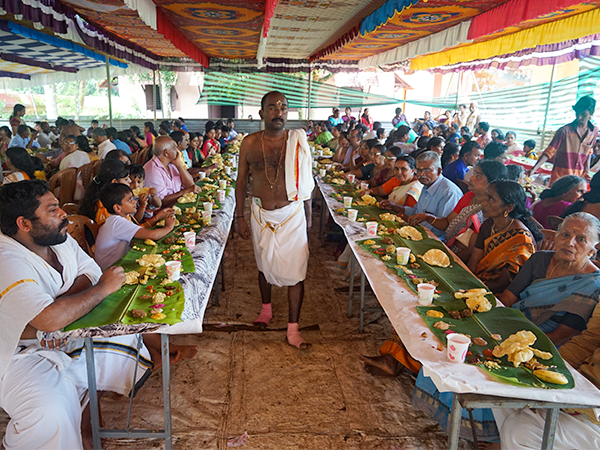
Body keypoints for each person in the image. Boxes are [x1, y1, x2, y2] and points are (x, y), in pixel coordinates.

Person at [0, 180, 151, 450]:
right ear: (24, 224)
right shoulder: (7, 259)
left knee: (125, 337)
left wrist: (60, 308)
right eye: (53, 209)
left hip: (58, 334)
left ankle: (85, 422)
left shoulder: (57, 238)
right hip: (14, 354)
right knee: (50, 409)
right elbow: (51, 318)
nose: (63, 214)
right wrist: (99, 290)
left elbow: (90, 270)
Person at [235, 91, 314, 349]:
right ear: (261, 113)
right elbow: (240, 182)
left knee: (297, 271)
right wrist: (240, 217)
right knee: (263, 263)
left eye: (283, 107)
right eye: (271, 107)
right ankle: (266, 310)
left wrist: (309, 216)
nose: (278, 112)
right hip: (261, 215)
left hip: (292, 215)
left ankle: (293, 329)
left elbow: (306, 182)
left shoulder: (298, 140)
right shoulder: (249, 143)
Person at [497, 212, 600, 346]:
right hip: (507, 324)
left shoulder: (592, 285)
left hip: (540, 345)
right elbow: (508, 298)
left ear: (592, 250)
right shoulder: (539, 259)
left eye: (581, 239)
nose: (570, 243)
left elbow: (560, 336)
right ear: (556, 237)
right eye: (565, 234)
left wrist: (514, 342)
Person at [409, 160, 507, 262]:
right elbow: (448, 223)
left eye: (478, 176)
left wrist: (448, 259)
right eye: (474, 174)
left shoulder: (492, 209)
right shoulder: (469, 196)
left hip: (466, 259)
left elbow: (472, 251)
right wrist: (428, 217)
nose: (471, 178)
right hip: (449, 248)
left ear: (492, 182)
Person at [468, 180, 541, 294]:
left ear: (509, 207)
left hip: (496, 293)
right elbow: (473, 263)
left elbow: (502, 284)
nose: (484, 203)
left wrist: (473, 288)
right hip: (478, 282)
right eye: (486, 196)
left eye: (491, 199)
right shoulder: (489, 224)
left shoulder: (520, 239)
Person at [383, 151, 463, 240]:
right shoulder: (426, 185)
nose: (421, 174)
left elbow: (446, 226)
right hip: (419, 231)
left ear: (439, 171)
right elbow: (417, 211)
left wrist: (428, 217)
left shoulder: (449, 192)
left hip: (436, 239)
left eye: (427, 170)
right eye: (419, 170)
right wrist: (395, 206)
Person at [94, 183, 175, 270]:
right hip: (111, 270)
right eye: (129, 200)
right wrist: (169, 226)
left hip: (118, 264)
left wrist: (158, 216)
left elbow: (140, 231)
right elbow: (154, 235)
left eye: (132, 197)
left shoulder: (116, 219)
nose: (134, 201)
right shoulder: (116, 223)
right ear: (117, 208)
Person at [530, 95, 598, 184]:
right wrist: (534, 169)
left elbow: (589, 153)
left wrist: (586, 171)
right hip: (559, 178)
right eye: (577, 113)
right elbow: (548, 152)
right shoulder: (564, 131)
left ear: (591, 113)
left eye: (583, 114)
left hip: (578, 179)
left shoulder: (594, 132)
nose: (579, 117)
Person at [143, 136, 201, 206]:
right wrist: (185, 191)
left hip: (179, 205)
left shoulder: (171, 163)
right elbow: (161, 202)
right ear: (166, 153)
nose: (177, 150)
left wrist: (178, 164)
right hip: (165, 212)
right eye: (174, 148)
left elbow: (190, 184)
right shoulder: (153, 170)